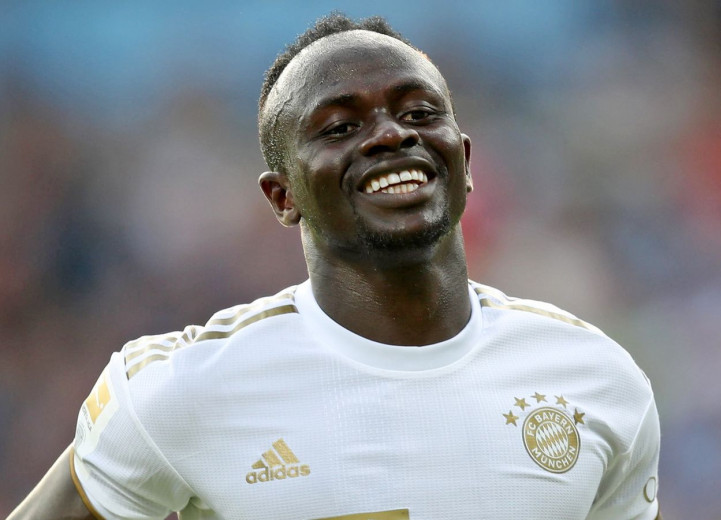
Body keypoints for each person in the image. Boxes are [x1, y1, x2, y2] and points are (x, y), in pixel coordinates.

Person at [9, 12, 662, 520]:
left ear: (463, 161)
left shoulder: (595, 379)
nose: (391, 134)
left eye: (418, 112)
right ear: (282, 196)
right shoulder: (181, 388)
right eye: (339, 127)